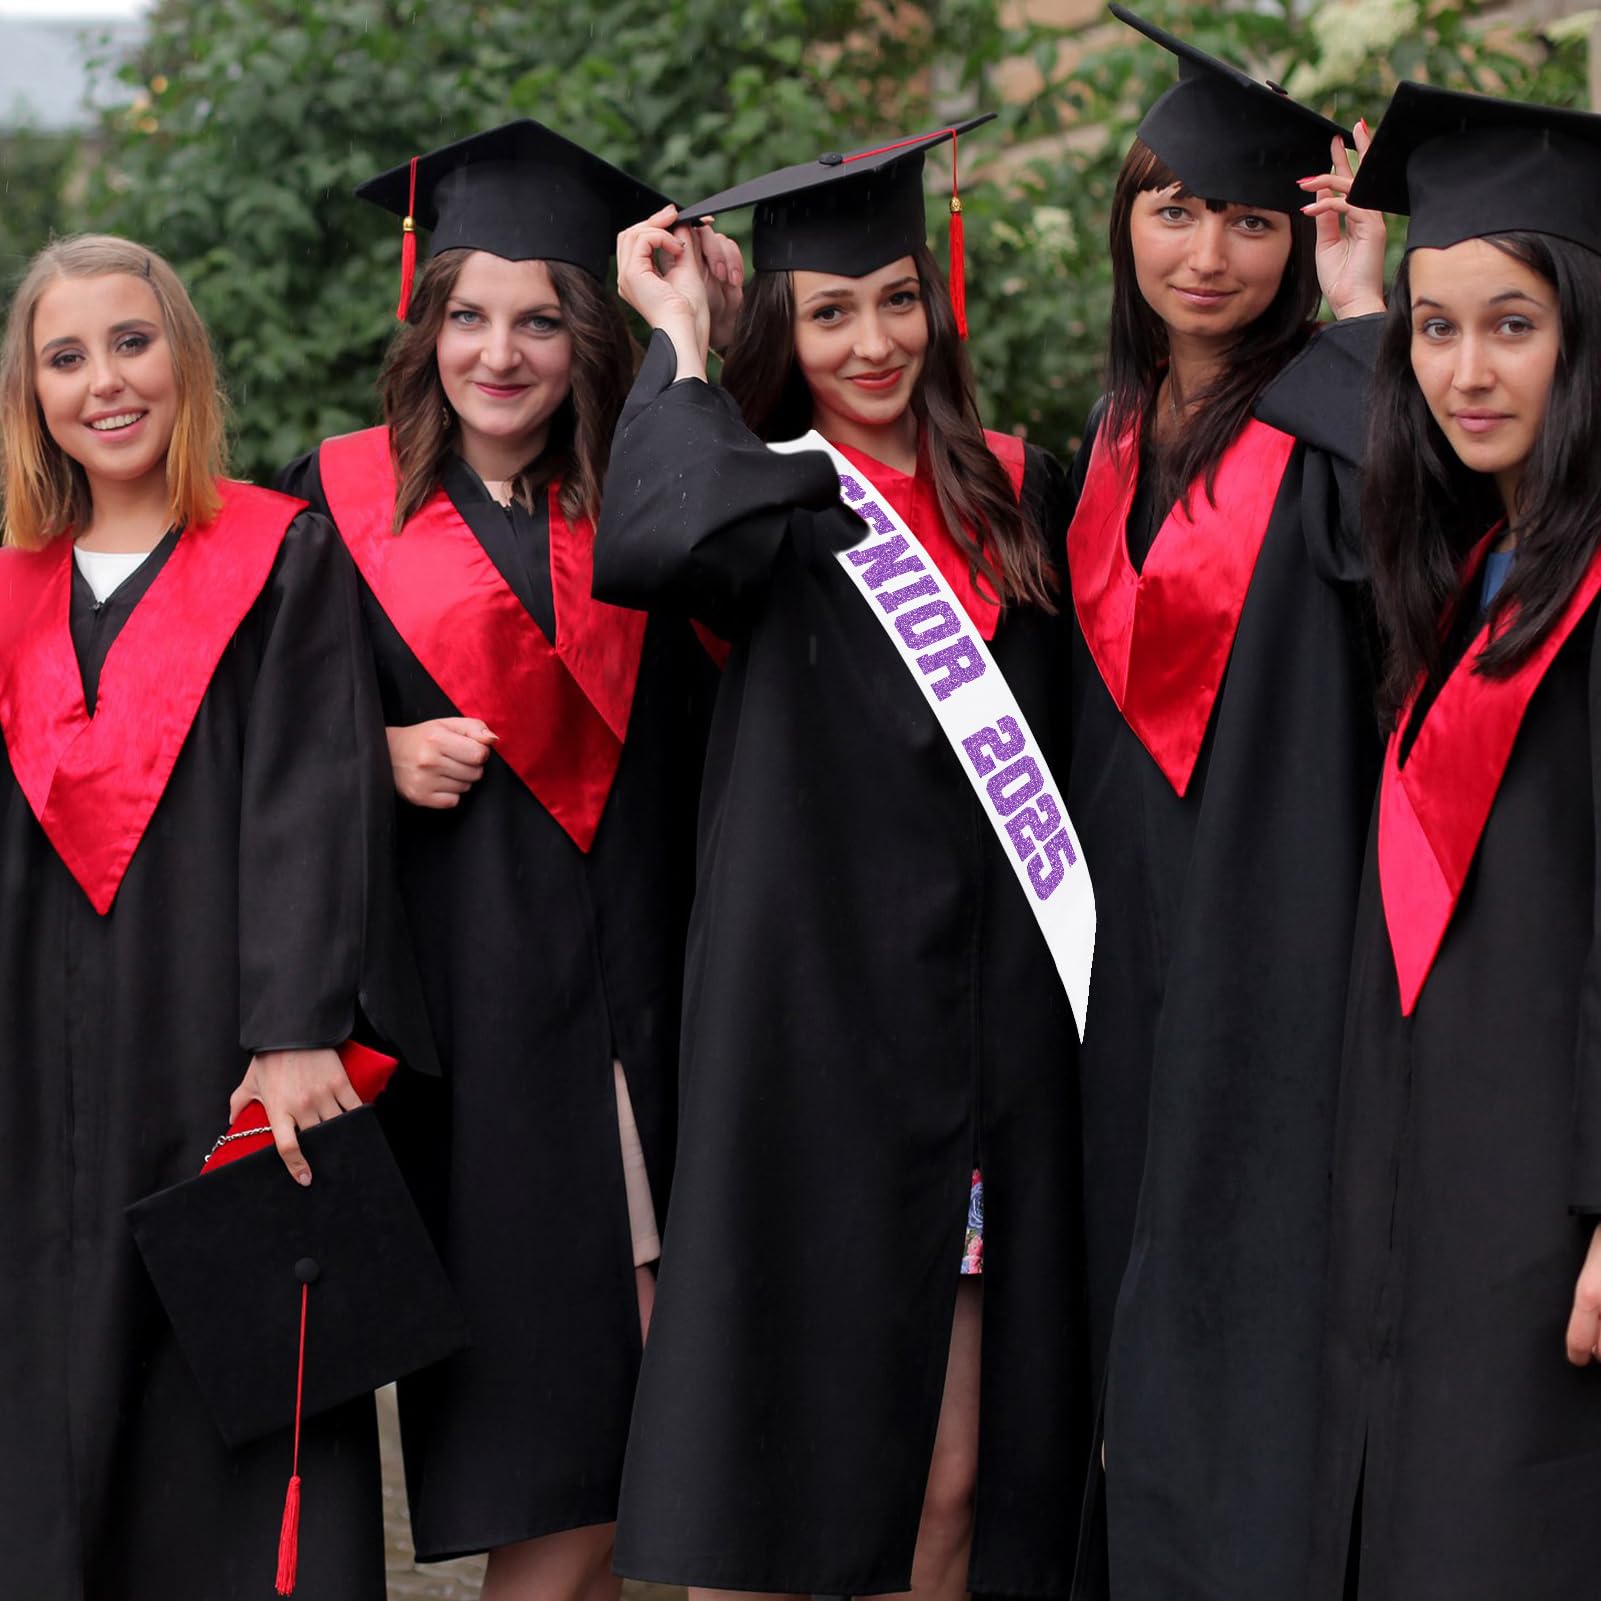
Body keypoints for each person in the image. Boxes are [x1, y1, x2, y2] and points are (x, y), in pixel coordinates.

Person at [595, 120, 1090, 1601]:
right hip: (805, 1050)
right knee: (769, 1465)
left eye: (893, 298)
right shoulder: (753, 500)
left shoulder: (1020, 491)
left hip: (980, 1054)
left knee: (946, 1480)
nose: (871, 341)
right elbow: (643, 536)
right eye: (826, 312)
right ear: (780, 329)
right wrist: (680, 336)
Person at [277, 120, 723, 1601]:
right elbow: (233, 750)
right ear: (426, 323)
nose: (501, 352)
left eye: (540, 318)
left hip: (646, 1009)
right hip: (463, 1040)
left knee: (645, 1415)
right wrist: (374, 757)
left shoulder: (647, 501)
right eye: (468, 315)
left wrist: (691, 334)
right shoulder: (327, 511)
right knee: (556, 1425)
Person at [0, 233, 433, 1600]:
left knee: (221, 1375)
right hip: (27, 1041)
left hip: (215, 1041)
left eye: (132, 342)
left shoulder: (276, 551)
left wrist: (299, 1025)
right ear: (31, 394)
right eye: (65, 357)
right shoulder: (10, 582)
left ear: (183, 357)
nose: (105, 381)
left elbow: (313, 792)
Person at [1061, 10, 1388, 1598]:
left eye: (1251, 218)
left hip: (1285, 932)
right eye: (1175, 209)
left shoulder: (1336, 422)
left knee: (1258, 1303)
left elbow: (1432, 546)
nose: (1207, 253)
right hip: (1123, 957)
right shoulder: (1102, 441)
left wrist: (1364, 307)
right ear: (1123, 221)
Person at [1306, 83, 1601, 1601]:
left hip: (1556, 1194)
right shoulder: (1478, 572)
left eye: (1511, 325)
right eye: (1432, 328)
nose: (1464, 371)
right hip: (1437, 1177)